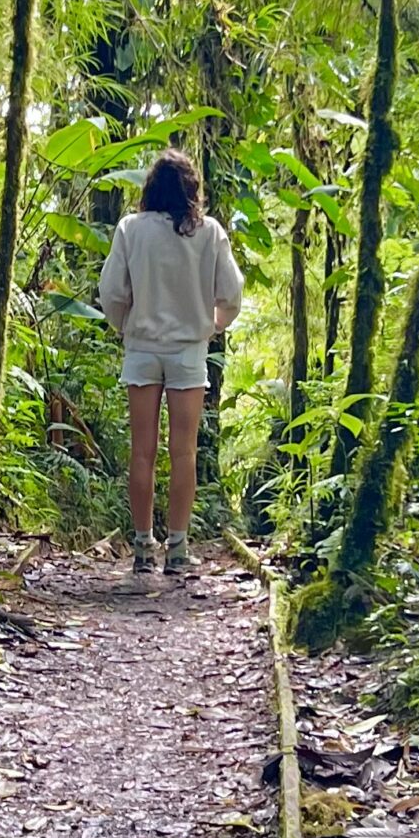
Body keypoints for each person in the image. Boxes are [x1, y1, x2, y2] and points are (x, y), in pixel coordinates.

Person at [96, 147, 244, 576]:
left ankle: (143, 547)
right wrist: (211, 325)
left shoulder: (131, 229)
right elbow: (231, 294)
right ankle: (177, 548)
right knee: (184, 452)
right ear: (191, 189)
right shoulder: (209, 232)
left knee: (141, 452)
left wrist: (126, 327)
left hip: (142, 349)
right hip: (188, 352)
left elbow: (111, 292)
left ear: (150, 188)